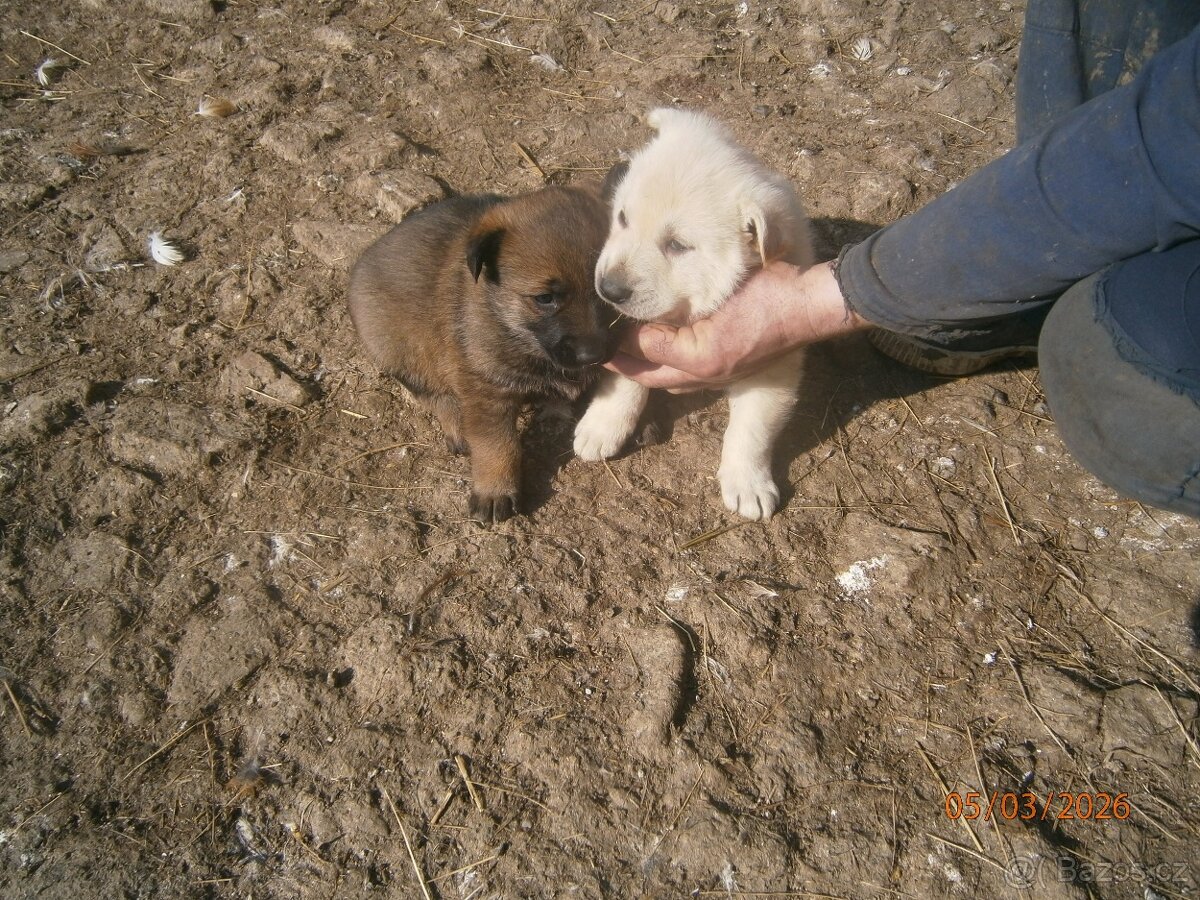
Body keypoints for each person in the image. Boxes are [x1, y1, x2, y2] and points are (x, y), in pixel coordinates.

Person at [607, 1, 1200, 519]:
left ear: (758, 239)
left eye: (678, 245)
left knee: (1117, 352)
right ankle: (1023, 277)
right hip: (1153, 131)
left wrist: (744, 457)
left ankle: (1044, 297)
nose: (614, 269)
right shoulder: (660, 204)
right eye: (623, 217)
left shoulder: (760, 227)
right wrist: (626, 389)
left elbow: (770, 377)